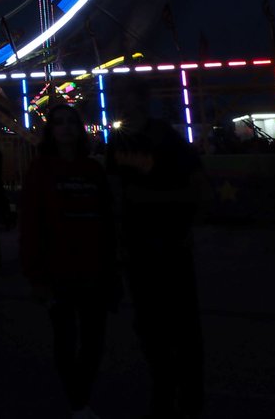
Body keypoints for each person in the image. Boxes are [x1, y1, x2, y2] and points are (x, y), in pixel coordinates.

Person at [108, 82, 206, 419]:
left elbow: (195, 185)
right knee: (149, 322)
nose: (122, 103)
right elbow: (116, 190)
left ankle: (187, 393)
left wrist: (161, 206)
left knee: (180, 321)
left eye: (127, 96)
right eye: (119, 97)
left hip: (168, 241)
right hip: (138, 244)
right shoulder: (118, 141)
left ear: (142, 101)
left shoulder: (166, 138)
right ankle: (165, 387)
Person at [20, 104, 117, 419]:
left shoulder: (93, 170)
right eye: (58, 123)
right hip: (58, 267)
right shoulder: (40, 169)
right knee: (65, 339)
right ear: (50, 131)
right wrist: (36, 275)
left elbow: (107, 220)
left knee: (93, 341)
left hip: (93, 266)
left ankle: (80, 397)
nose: (65, 128)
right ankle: (79, 403)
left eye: (71, 122)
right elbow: (31, 223)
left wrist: (113, 267)